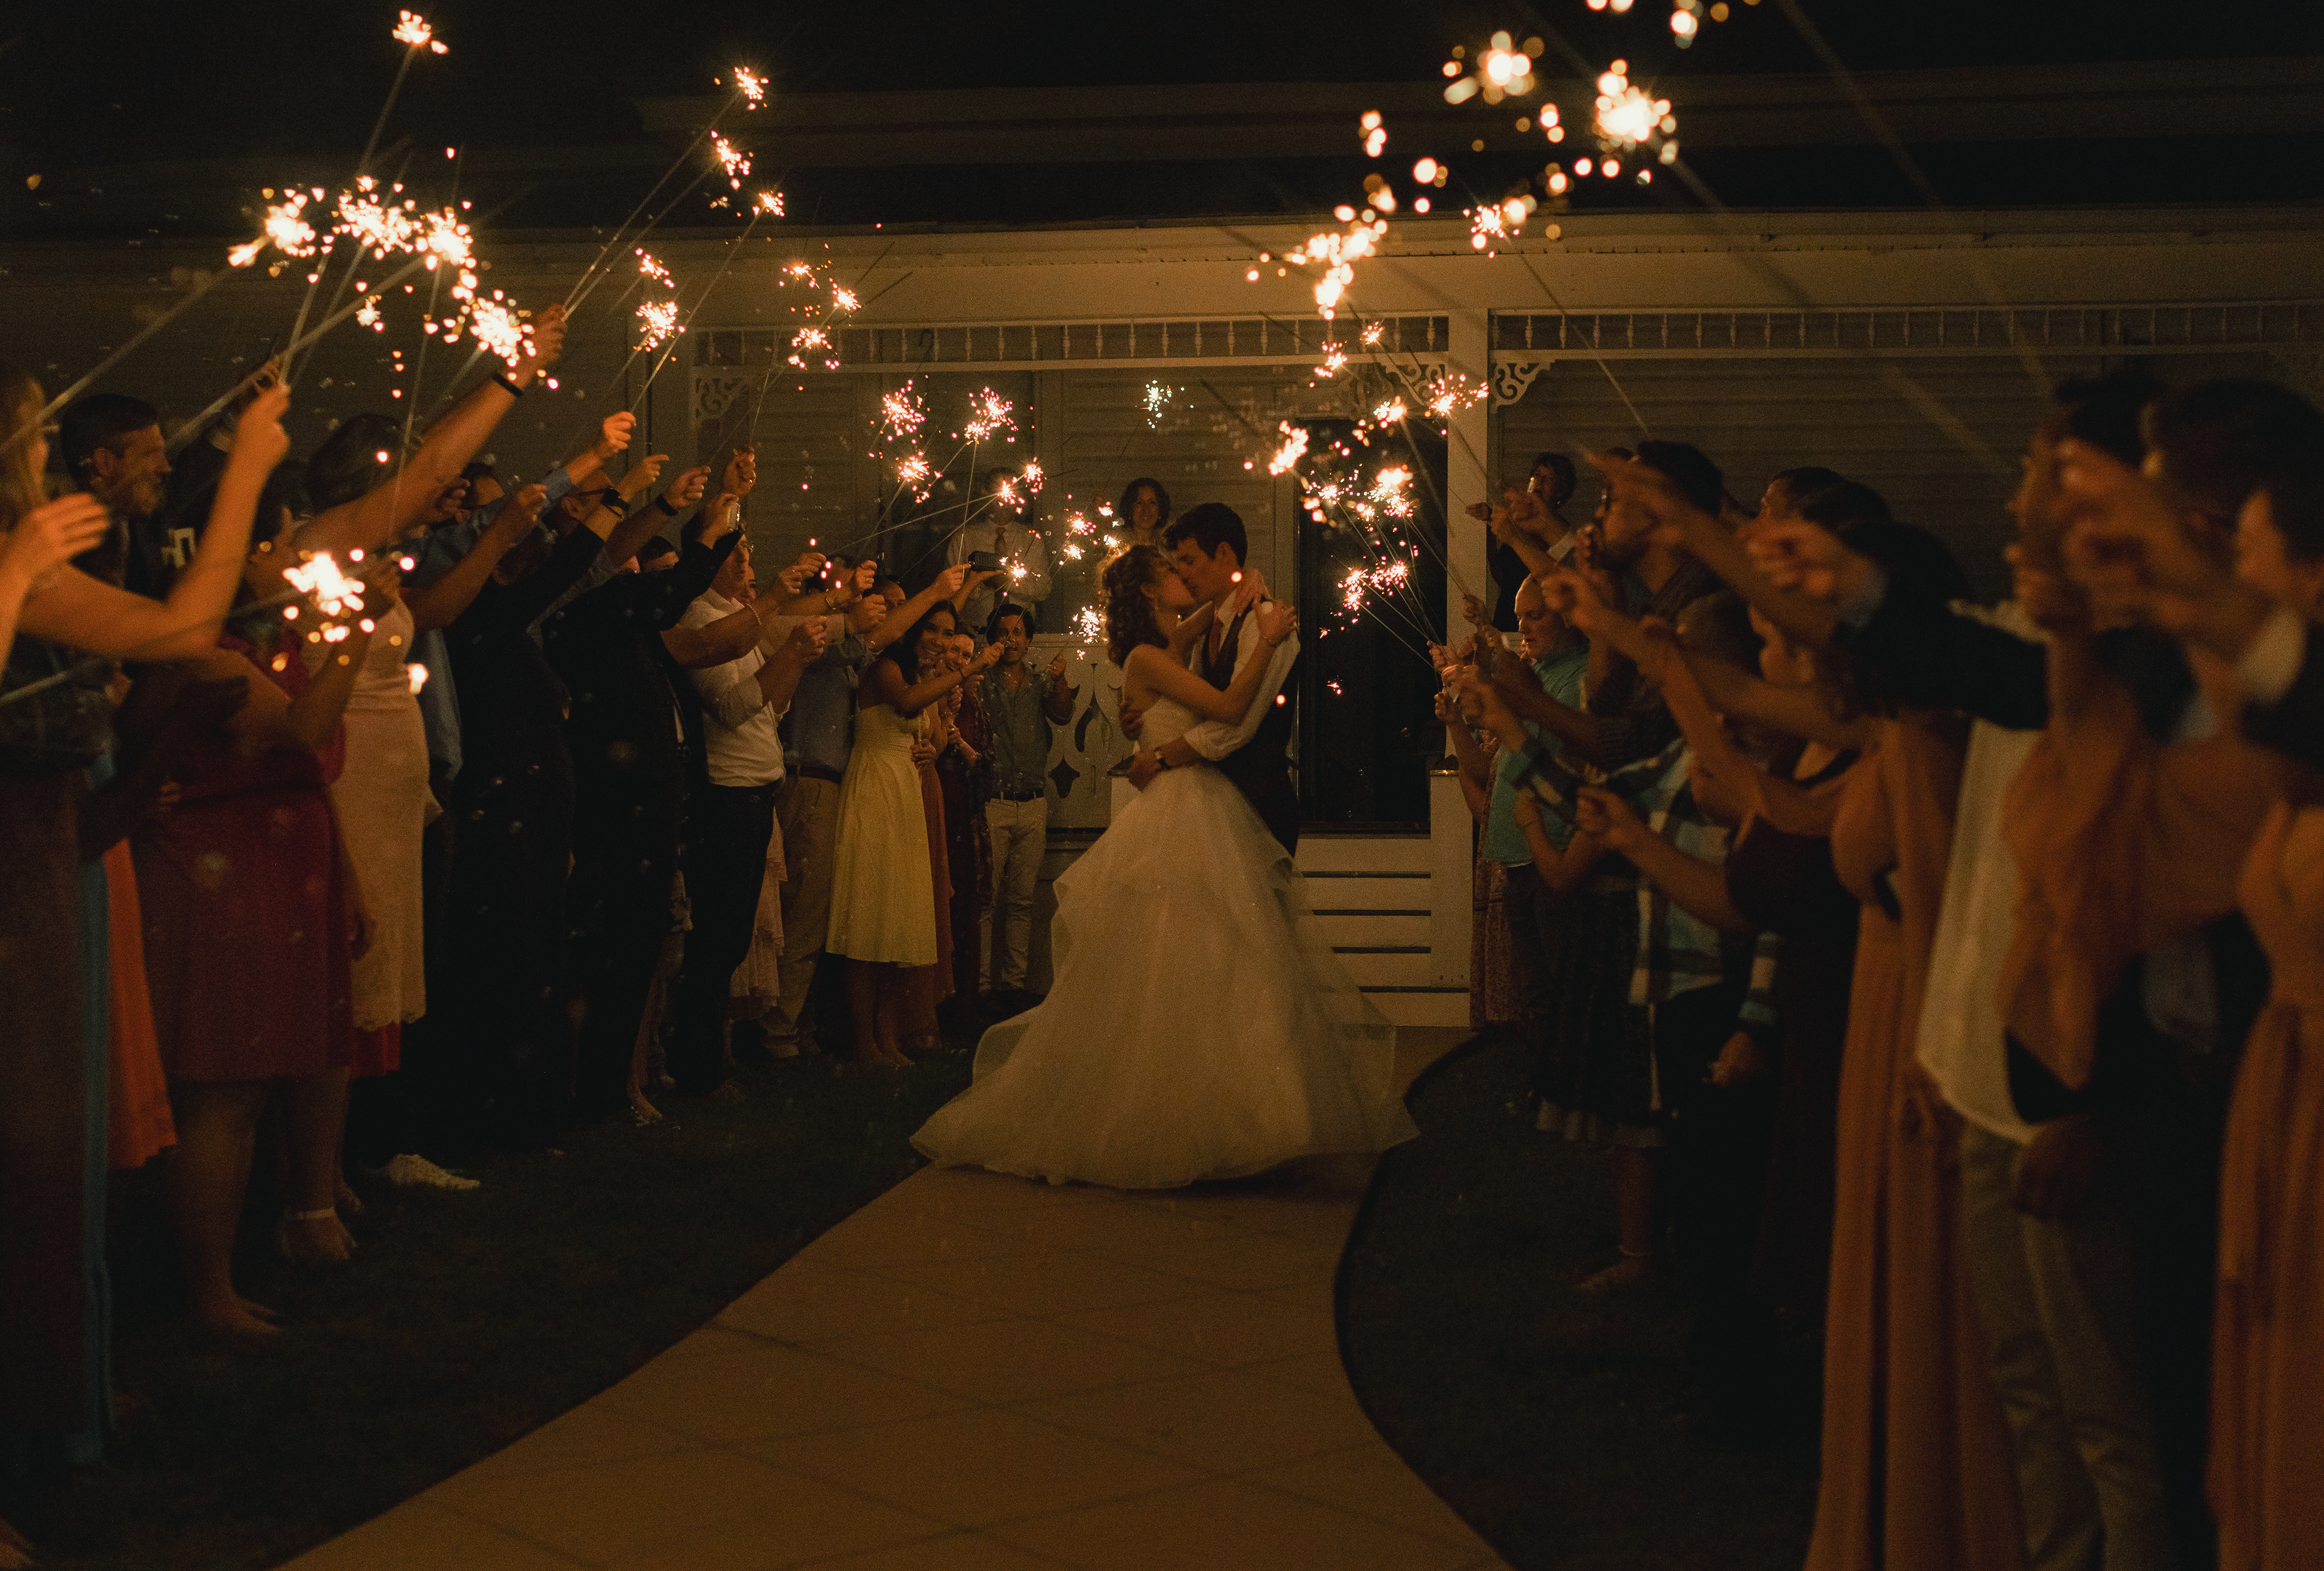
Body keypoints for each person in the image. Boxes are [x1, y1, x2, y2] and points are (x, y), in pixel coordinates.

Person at [913, 543, 1414, 1187]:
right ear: (1150, 591)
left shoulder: (1169, 643)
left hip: (1198, 798)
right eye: (1171, 572)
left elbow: (1216, 605)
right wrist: (1268, 641)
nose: (1183, 577)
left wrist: (1249, 584)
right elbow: (1228, 708)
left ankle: (1232, 1113)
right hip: (1180, 806)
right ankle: (1178, 1118)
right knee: (1176, 956)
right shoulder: (1150, 657)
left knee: (1218, 960)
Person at [766, 562, 970, 1056]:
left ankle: (806, 1026)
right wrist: (935, 593)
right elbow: (894, 677)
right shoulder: (835, 647)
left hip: (850, 784)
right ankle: (779, 1031)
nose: (895, 616)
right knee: (812, 912)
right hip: (814, 778)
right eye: (889, 605)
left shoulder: (868, 659)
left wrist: (933, 743)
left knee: (835, 913)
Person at [666, 533, 829, 1098]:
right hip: (726, 792)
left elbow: (771, 706)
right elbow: (733, 707)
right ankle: (698, 1066)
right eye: (734, 554)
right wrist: (788, 653)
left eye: (748, 553)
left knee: (731, 937)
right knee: (717, 936)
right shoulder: (702, 618)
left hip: (756, 790)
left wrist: (797, 659)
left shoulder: (737, 616)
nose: (746, 563)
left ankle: (708, 1060)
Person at [826, 596, 1000, 1067]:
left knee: (896, 917)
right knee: (869, 919)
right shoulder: (885, 669)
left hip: (906, 791)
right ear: (911, 631)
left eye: (948, 633)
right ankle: (865, 1040)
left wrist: (933, 744)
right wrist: (967, 670)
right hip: (874, 787)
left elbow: (937, 733)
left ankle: (888, 1035)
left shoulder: (927, 680)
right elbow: (904, 703)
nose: (941, 641)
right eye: (933, 630)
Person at [1126, 503, 1299, 854]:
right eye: (1177, 565)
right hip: (1212, 805)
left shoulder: (1267, 620)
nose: (1183, 574)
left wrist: (1160, 756)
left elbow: (1238, 726)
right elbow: (1196, 709)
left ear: (1223, 554)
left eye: (1189, 561)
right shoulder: (1208, 627)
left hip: (1260, 803)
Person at [977, 601, 1074, 1013]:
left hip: (1032, 802)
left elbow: (1063, 715)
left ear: (1029, 640)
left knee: (1022, 900)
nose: (1010, 639)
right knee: (986, 900)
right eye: (1003, 632)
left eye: (1017, 632)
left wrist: (1061, 679)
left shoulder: (1038, 682)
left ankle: (1014, 986)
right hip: (993, 801)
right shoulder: (981, 681)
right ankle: (982, 988)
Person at [57, 392, 171, 594]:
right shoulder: (64, 552)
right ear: (105, 463)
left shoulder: (138, 526)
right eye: (151, 454)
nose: (165, 467)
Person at [948, 469, 1052, 634]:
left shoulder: (1031, 540)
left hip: (1018, 633)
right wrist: (979, 583)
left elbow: (1043, 589)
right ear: (987, 495)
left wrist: (1007, 583)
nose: (1004, 499)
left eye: (1011, 490)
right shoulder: (965, 538)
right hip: (973, 631)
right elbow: (950, 590)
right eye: (998, 490)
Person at [1119, 476, 1171, 550]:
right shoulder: (1120, 546)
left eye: (1152, 503)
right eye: (1139, 503)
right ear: (1129, 507)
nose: (1146, 510)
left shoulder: (1168, 548)